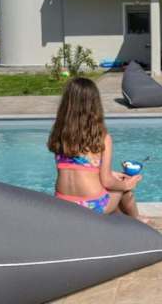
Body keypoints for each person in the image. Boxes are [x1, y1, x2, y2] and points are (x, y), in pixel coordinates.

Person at [47, 77, 145, 220]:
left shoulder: (59, 134)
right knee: (124, 191)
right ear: (94, 105)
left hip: (63, 203)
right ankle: (137, 221)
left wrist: (112, 174)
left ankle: (120, 223)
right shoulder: (102, 138)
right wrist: (127, 184)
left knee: (115, 186)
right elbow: (107, 181)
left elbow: (76, 166)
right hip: (92, 205)